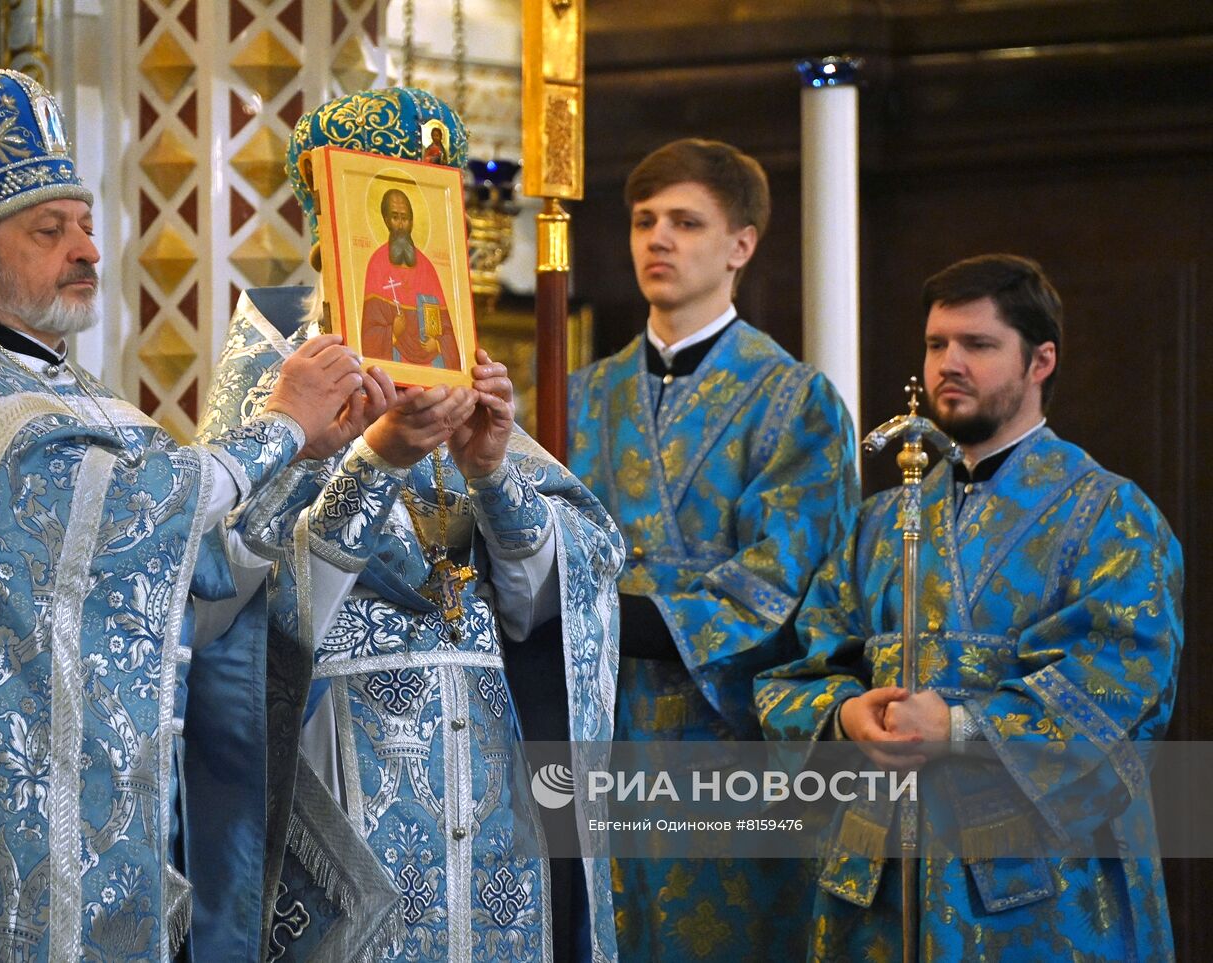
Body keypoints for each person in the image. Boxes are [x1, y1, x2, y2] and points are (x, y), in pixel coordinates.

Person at [0, 69, 379, 962]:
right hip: (2, 838)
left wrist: (317, 458)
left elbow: (190, 568)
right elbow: (134, 510)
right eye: (50, 232)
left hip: (103, 823)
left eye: (86, 223)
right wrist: (280, 426)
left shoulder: (67, 393)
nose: (87, 248)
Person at [217, 85, 624, 962]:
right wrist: (376, 461)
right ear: (335, 233)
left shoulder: (465, 381)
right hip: (344, 776)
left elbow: (558, 603)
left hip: (494, 793)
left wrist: (491, 473)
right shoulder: (276, 393)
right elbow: (245, 613)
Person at [756, 253, 1183, 960]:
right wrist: (846, 714)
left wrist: (955, 725)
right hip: (882, 877)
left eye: (978, 345)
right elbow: (802, 664)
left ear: (1040, 360)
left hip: (1039, 886)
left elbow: (1121, 688)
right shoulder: (877, 523)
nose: (949, 362)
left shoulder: (1110, 515)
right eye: (936, 344)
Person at [566, 138, 859, 961]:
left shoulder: (793, 401)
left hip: (726, 747)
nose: (658, 238)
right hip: (598, 728)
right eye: (644, 220)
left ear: (741, 245)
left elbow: (791, 579)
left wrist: (598, 614)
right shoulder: (581, 396)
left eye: (686, 222)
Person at [361, 187, 461, 370]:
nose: (400, 225)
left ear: (412, 221)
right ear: (385, 220)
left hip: (431, 369)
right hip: (392, 369)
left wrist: (438, 345)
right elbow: (366, 332)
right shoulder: (377, 263)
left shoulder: (427, 267)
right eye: (395, 217)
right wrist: (391, 333)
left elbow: (449, 329)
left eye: (405, 218)